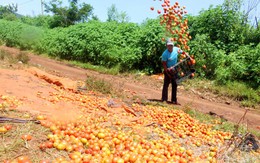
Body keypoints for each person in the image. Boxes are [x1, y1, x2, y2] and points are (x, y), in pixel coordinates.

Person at [161, 38, 182, 105]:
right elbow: (164, 64)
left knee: (174, 85)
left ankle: (174, 100)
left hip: (175, 69)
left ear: (173, 45)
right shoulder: (165, 54)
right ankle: (164, 99)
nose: (170, 47)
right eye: (169, 45)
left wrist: (189, 57)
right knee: (166, 85)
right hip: (168, 69)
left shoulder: (176, 49)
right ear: (167, 46)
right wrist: (167, 72)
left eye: (171, 45)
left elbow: (183, 52)